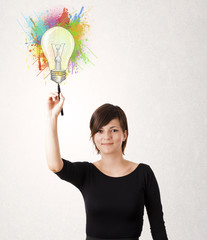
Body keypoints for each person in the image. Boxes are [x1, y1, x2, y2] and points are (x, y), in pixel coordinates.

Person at [45, 92, 168, 240]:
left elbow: (158, 229)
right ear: (93, 136)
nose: (106, 137)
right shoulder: (86, 173)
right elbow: (54, 165)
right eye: (100, 131)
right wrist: (52, 117)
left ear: (125, 134)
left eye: (114, 130)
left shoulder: (144, 174)